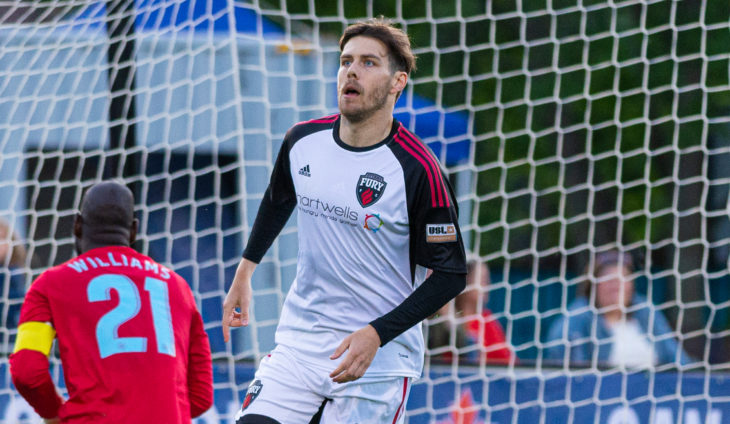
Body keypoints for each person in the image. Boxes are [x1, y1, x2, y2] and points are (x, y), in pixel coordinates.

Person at [223, 17, 467, 424]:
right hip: (299, 349)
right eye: (345, 60)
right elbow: (278, 198)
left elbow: (451, 274)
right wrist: (245, 272)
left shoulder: (419, 169)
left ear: (397, 82)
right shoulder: (302, 141)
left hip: (378, 362)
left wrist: (376, 333)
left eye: (369, 62)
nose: (351, 70)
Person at [10, 181, 213, 423]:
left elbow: (26, 371)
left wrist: (54, 413)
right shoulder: (177, 287)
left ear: (77, 225)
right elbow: (201, 395)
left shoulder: (49, 285)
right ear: (134, 231)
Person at [544, 250, 693, 368]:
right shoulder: (579, 317)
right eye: (609, 279)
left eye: (623, 279)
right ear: (594, 285)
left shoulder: (645, 313)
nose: (616, 285)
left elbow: (678, 359)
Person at [428, 260, 512, 364]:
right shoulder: (440, 317)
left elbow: (507, 361)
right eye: (483, 280)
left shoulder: (486, 321)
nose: (488, 285)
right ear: (466, 281)